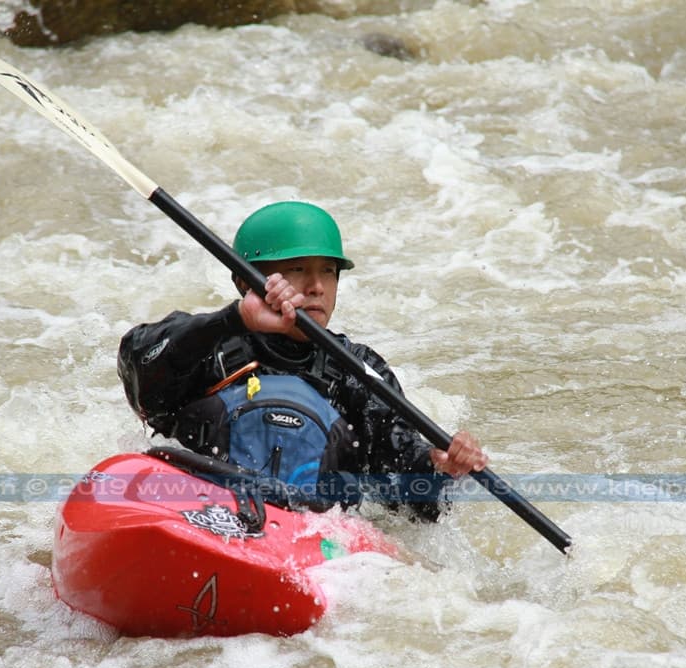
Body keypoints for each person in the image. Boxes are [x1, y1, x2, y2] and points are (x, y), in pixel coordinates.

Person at [118, 201, 489, 520]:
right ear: (246, 282)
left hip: (309, 537)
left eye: (327, 271)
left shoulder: (357, 371)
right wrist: (234, 319)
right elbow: (139, 366)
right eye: (297, 269)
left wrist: (440, 467)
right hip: (200, 515)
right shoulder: (209, 345)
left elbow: (407, 493)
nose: (316, 286)